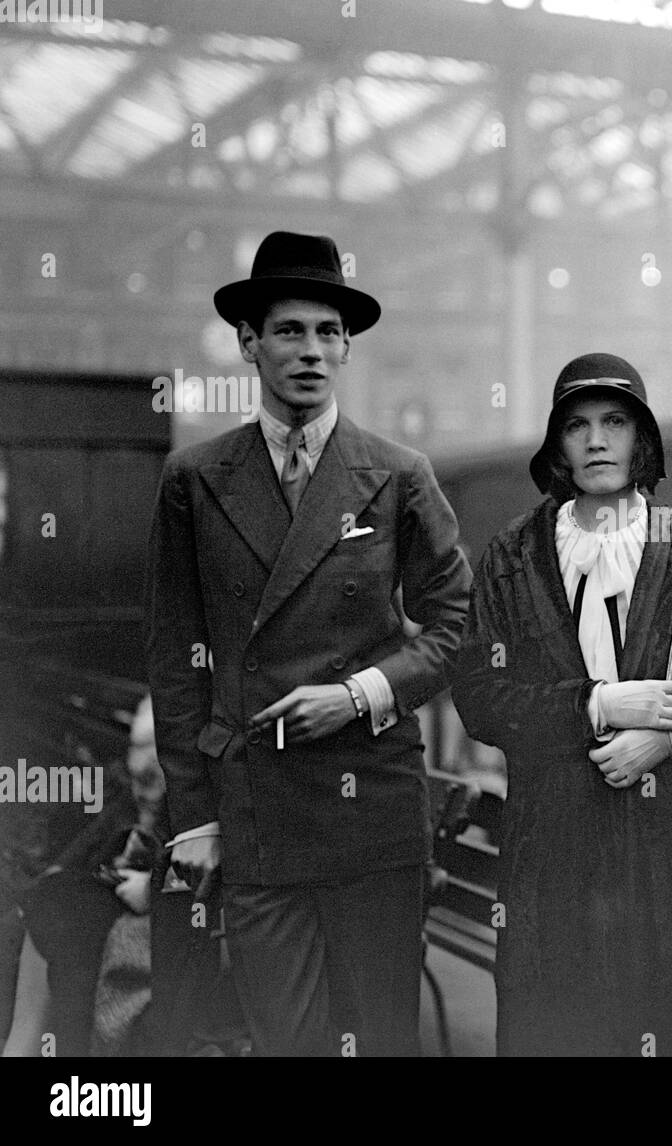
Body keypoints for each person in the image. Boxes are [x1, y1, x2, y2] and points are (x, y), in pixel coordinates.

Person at [146, 230, 471, 1056]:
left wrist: (360, 692)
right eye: (289, 331)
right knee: (285, 1041)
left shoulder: (398, 474)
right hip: (256, 808)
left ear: (348, 349)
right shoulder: (194, 478)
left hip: (375, 808)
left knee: (379, 1038)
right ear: (249, 343)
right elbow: (176, 657)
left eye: (330, 334)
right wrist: (192, 819)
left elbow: (456, 625)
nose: (312, 352)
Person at [451, 353, 672, 1057]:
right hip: (552, 854)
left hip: (668, 852)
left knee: (667, 1020)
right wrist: (597, 705)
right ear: (557, 444)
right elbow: (481, 699)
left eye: (615, 422)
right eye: (577, 425)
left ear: (642, 439)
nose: (597, 441)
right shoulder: (513, 557)